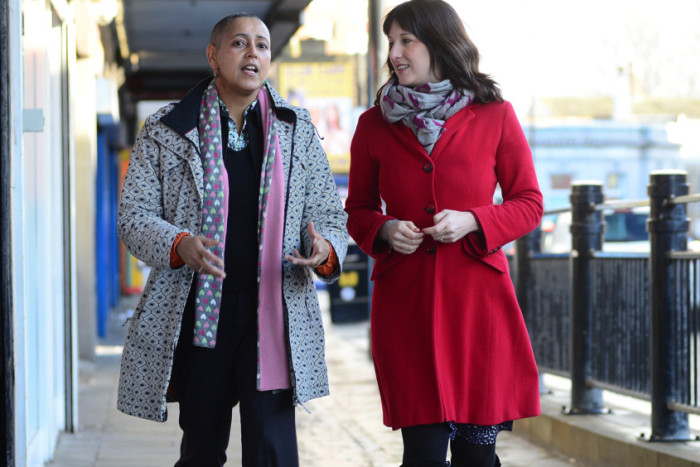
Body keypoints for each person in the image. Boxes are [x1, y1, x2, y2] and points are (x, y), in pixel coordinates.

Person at [116, 13, 348, 467]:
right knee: (201, 449)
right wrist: (180, 242)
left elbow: (327, 213)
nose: (253, 54)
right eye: (240, 43)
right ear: (214, 56)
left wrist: (325, 248)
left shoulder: (297, 129)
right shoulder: (167, 130)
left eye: (262, 45)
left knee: (273, 452)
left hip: (275, 314)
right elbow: (134, 216)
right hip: (201, 314)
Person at [344, 1, 543, 466]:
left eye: (405, 40)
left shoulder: (495, 114)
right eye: (390, 41)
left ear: (437, 42)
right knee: (424, 453)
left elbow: (529, 203)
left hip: (478, 309)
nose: (394, 52)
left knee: (477, 456)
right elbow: (358, 210)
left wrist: (475, 219)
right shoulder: (372, 125)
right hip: (407, 306)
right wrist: (386, 229)